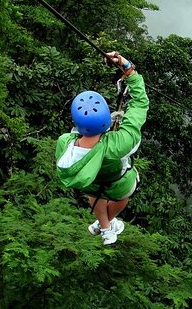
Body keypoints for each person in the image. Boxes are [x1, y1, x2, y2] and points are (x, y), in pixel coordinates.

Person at [55, 51, 149, 245]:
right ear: (106, 120)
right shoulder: (118, 143)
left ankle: (105, 226)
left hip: (91, 184)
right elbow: (140, 104)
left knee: (95, 194)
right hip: (117, 184)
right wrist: (128, 68)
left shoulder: (64, 142)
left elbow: (75, 135)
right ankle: (105, 225)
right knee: (126, 193)